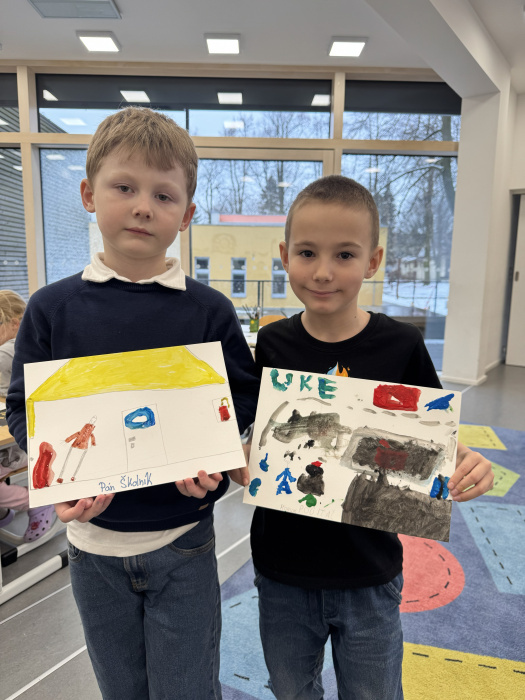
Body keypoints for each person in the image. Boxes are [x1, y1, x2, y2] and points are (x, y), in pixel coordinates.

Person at [7, 107, 259, 700]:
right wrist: (54, 472)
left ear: (186, 215)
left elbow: (242, 401)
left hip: (185, 540)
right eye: (124, 188)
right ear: (88, 195)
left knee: (188, 689)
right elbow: (23, 409)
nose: (144, 207)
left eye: (163, 195)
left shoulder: (209, 311)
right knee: (120, 688)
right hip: (91, 549)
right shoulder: (50, 309)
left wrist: (219, 460)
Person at [249, 175, 494, 700]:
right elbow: (257, 438)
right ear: (284, 256)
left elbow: (438, 441)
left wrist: (469, 461)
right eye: (307, 253)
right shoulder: (271, 344)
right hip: (282, 569)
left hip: (369, 571)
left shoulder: (401, 346)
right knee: (290, 689)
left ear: (373, 261)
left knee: (374, 692)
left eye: (344, 255)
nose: (323, 271)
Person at [0, 290, 55, 541]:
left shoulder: (9, 349)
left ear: (14, 323)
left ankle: (34, 500)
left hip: (18, 446)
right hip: (23, 438)